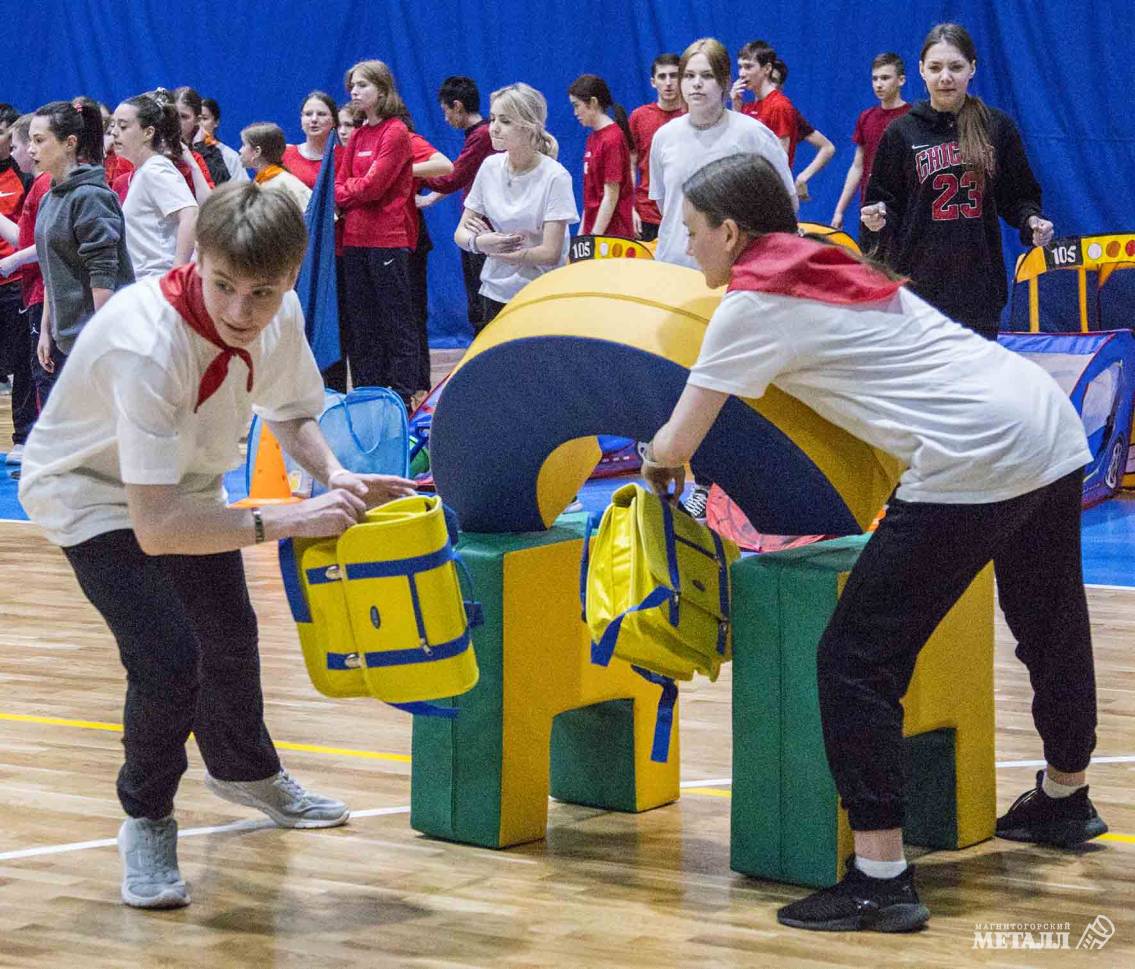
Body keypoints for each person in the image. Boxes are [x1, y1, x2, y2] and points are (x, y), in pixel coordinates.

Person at [640, 150, 1104, 934]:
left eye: (690, 232)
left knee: (854, 659)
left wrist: (654, 468)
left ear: (730, 230)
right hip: (1043, 419)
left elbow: (673, 443)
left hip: (972, 454)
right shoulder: (825, 255)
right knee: (1049, 622)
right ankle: (1064, 797)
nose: (684, 248)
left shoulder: (748, 307)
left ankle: (881, 875)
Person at [18, 181, 418, 910]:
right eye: (224, 285)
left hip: (184, 484)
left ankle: (245, 772)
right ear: (196, 257)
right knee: (169, 659)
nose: (241, 311)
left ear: (292, 278)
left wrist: (335, 474)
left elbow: (291, 409)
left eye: (261, 293)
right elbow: (156, 528)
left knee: (230, 635)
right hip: (89, 492)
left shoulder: (279, 313)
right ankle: (145, 818)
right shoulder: (148, 342)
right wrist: (290, 518)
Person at [862, 24, 1053, 339]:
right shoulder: (901, 132)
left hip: (979, 288)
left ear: (972, 69)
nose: (945, 77)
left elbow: (1018, 196)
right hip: (917, 288)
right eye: (935, 68)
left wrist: (1032, 221)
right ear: (922, 70)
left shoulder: (998, 127)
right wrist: (876, 218)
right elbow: (882, 201)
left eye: (956, 67)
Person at [648, 37, 796, 270]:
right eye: (688, 76)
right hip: (673, 268)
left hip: (736, 272)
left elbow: (786, 203)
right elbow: (665, 204)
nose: (696, 84)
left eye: (707, 76)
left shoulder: (753, 134)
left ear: (725, 82)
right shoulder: (664, 137)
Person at [28, 100, 134, 389]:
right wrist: (46, 331)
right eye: (30, 140)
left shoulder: (90, 197)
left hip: (94, 339)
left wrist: (104, 342)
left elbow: (104, 277)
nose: (30, 149)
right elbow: (51, 266)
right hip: (66, 339)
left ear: (69, 143)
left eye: (39, 140)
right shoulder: (51, 198)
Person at [454, 82, 579, 324]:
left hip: (541, 294)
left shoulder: (555, 176)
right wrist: (480, 242)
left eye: (505, 121)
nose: (494, 128)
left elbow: (551, 253)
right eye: (492, 119)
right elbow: (461, 232)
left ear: (530, 127)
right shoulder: (490, 167)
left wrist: (504, 252)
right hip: (495, 291)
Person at [335, 59, 417, 404]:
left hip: (386, 241)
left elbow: (374, 187)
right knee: (362, 321)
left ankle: (402, 391)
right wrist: (354, 189)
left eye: (363, 85)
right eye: (352, 85)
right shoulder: (359, 134)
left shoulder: (395, 132)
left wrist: (352, 190)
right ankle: (369, 390)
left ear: (382, 90)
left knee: (394, 319)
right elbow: (339, 186)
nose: (355, 91)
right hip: (354, 240)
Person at [419, 76, 499, 334]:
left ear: (457, 106)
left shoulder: (482, 136)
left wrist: (405, 171)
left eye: (446, 112)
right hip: (478, 224)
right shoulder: (478, 136)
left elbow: (453, 177)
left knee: (480, 295)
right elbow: (462, 174)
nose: (445, 119)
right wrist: (431, 197)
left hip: (482, 226)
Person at [0, 114, 51, 432]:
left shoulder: (41, 184)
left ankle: (28, 436)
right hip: (35, 288)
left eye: (34, 142)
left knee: (33, 364)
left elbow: (34, 240)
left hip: (25, 286)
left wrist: (13, 262)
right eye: (25, 144)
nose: (27, 151)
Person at [111, 95, 198, 278]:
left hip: (158, 283)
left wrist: (176, 275)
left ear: (148, 132)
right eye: (113, 125)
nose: (114, 132)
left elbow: (190, 213)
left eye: (123, 126)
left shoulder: (156, 169)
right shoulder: (143, 172)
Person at [831, 53, 910, 231]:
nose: (879, 84)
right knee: (869, 258)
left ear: (901, 80)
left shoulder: (912, 118)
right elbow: (858, 166)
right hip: (870, 211)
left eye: (885, 78)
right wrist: (839, 210)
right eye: (875, 79)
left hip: (903, 211)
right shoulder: (866, 118)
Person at [0, 103, 34, 457]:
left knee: (22, 364)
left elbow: (29, 237)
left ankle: (24, 436)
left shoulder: (25, 179)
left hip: (14, 284)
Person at [568, 74, 634, 238]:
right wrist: (582, 236)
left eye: (577, 106)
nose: (575, 112)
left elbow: (611, 196)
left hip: (612, 236)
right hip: (594, 234)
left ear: (593, 102)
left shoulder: (612, 139)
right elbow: (591, 200)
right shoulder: (593, 138)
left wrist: (594, 237)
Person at [628, 53, 683, 243]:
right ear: (653, 82)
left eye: (673, 75)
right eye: (662, 76)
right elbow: (630, 165)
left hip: (684, 214)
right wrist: (630, 208)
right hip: (646, 214)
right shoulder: (639, 117)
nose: (668, 82)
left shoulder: (693, 116)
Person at [769, 58, 835, 203]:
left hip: (773, 197)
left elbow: (827, 147)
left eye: (773, 80)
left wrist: (802, 177)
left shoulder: (785, 111)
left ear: (781, 87)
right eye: (766, 78)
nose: (768, 84)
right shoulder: (744, 109)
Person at [730, 41, 799, 163]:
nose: (741, 74)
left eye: (748, 67)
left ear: (767, 69)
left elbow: (781, 159)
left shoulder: (780, 106)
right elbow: (736, 146)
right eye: (740, 67)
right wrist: (735, 106)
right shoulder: (747, 107)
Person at [240, 122, 312, 213]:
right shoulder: (260, 182)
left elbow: (316, 217)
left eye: (244, 145)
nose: (240, 150)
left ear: (257, 151)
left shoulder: (285, 183)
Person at [282, 91, 339, 189]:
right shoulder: (285, 154)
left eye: (321, 114)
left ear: (334, 121)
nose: (314, 119)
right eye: (308, 114)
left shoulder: (344, 156)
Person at [174, 86, 229, 186]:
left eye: (184, 117)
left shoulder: (210, 150)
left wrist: (200, 148)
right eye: (174, 115)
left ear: (197, 120)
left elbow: (220, 186)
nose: (177, 122)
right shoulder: (161, 144)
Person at [199, 97, 249, 183]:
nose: (199, 123)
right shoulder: (183, 152)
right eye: (197, 118)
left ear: (216, 122)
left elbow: (241, 191)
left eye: (204, 118)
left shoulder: (230, 156)